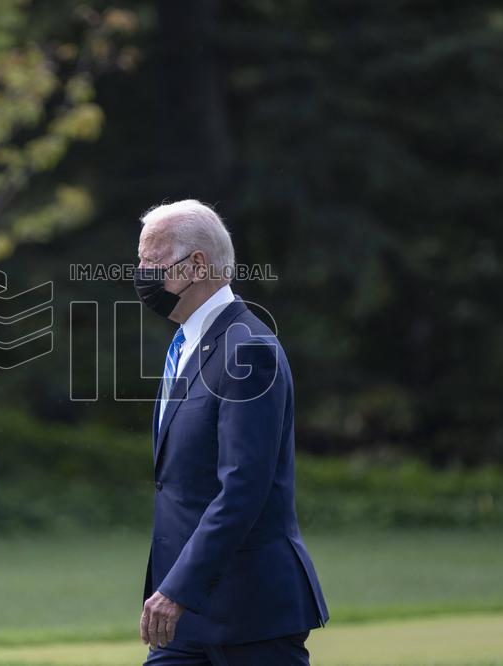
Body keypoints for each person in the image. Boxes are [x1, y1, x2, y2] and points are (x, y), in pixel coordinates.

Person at [134, 200, 329, 666]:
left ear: (196, 265)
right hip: (188, 617)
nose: (140, 274)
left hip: (250, 614)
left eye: (152, 262)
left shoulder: (248, 349)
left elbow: (243, 486)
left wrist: (177, 589)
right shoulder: (187, 344)